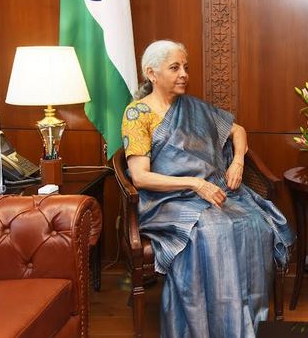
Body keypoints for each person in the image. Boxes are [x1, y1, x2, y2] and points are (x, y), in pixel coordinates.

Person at [121, 39, 293, 338]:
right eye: (175, 68)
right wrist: (194, 183)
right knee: (213, 230)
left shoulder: (193, 107)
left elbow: (238, 130)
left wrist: (237, 162)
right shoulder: (138, 114)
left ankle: (242, 320)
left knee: (253, 222)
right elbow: (140, 178)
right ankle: (206, 323)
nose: (184, 74)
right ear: (151, 73)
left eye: (185, 67)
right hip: (166, 200)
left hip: (209, 190)